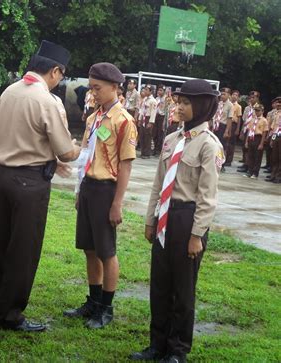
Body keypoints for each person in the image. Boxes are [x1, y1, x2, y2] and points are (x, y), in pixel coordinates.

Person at [0, 40, 80, 332]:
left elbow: (13, 129)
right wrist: (78, 149)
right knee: (23, 250)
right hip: (29, 183)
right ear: (55, 71)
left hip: (1, 176)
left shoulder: (10, 91)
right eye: (61, 75)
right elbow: (65, 151)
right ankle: (9, 315)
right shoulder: (48, 101)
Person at [130, 79, 224, 363]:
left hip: (187, 218)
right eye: (178, 102)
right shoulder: (172, 140)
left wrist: (197, 235)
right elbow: (158, 185)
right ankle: (156, 344)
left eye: (185, 103)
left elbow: (207, 197)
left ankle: (177, 350)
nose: (179, 107)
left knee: (183, 290)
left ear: (202, 107)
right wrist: (150, 219)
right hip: (164, 217)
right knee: (160, 285)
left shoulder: (209, 146)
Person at [64, 62, 137, 329]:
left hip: (107, 190)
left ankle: (106, 308)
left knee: (107, 251)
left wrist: (117, 203)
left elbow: (126, 165)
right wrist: (78, 189)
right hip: (89, 188)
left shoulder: (123, 121)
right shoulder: (94, 118)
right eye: (91, 87)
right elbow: (85, 155)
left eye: (98, 88)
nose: (93, 93)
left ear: (115, 87)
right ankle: (93, 302)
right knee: (89, 248)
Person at [244, 103, 269, 179]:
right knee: (250, 156)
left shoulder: (264, 120)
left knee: (257, 157)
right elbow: (249, 130)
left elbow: (264, 132)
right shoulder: (252, 119)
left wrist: (261, 143)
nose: (257, 112)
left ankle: (255, 173)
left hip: (258, 138)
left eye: (258, 111)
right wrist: (246, 141)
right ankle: (250, 171)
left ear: (262, 111)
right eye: (256, 111)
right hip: (251, 137)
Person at [238, 91, 260, 173]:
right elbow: (244, 120)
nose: (251, 99)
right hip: (246, 128)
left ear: (257, 98)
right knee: (244, 147)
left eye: (253, 97)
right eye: (250, 97)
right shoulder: (247, 108)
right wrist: (242, 132)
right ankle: (245, 163)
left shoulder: (259, 108)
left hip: (253, 130)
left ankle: (249, 165)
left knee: (250, 149)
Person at [211, 87, 233, 172]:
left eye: (224, 94)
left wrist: (227, 131)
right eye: (222, 94)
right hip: (216, 125)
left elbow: (229, 119)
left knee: (222, 146)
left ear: (228, 95)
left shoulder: (230, 105)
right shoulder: (218, 103)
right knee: (214, 144)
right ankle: (213, 161)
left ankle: (221, 164)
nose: (222, 96)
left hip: (223, 126)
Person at [139, 85, 157, 159]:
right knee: (142, 135)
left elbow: (153, 112)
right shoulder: (145, 99)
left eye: (147, 90)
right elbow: (142, 110)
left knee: (147, 136)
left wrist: (151, 122)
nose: (145, 91)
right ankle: (142, 152)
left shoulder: (153, 101)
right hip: (143, 117)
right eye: (145, 89)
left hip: (148, 118)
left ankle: (147, 153)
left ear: (151, 91)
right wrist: (140, 119)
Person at [225, 90, 242, 167]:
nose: (234, 96)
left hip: (233, 124)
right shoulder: (227, 104)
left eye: (236, 95)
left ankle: (229, 160)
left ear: (238, 97)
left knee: (231, 143)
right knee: (225, 142)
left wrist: (237, 129)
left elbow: (239, 118)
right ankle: (223, 158)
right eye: (233, 94)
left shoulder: (238, 106)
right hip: (226, 123)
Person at [266, 97, 281, 183]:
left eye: (280, 103)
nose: (278, 104)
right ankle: (273, 175)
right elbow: (273, 128)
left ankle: (278, 177)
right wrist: (272, 139)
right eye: (278, 103)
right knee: (274, 157)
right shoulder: (276, 114)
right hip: (276, 136)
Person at [262, 99, 278, 172]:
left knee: (273, 152)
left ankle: (272, 168)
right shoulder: (270, 113)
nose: (276, 104)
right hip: (269, 131)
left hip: (275, 133)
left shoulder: (277, 113)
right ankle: (268, 164)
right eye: (275, 103)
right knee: (268, 150)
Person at [153, 85, 166, 156]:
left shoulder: (166, 99)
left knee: (160, 133)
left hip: (162, 116)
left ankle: (158, 150)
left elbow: (167, 110)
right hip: (156, 116)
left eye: (161, 90)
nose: (159, 91)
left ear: (164, 91)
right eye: (158, 90)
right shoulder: (157, 98)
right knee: (155, 132)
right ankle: (155, 148)